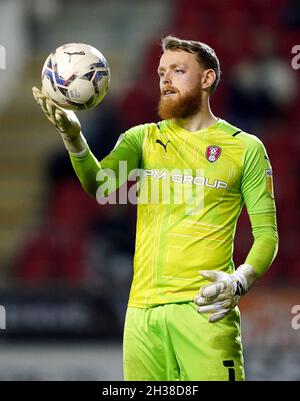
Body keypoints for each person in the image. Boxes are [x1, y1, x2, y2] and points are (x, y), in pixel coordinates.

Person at [32, 35, 278, 381]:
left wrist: (239, 280)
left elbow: (267, 236)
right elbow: (98, 185)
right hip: (142, 316)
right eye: (162, 71)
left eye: (178, 70)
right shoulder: (142, 138)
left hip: (204, 311)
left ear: (207, 79)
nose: (165, 79)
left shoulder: (245, 148)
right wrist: (73, 136)